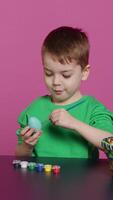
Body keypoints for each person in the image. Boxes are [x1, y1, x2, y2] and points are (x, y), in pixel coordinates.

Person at [15, 26, 113, 158]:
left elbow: (110, 142)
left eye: (66, 75)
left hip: (81, 179)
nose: (56, 82)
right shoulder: (34, 108)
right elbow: (20, 157)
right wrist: (27, 146)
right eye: (48, 73)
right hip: (41, 178)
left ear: (84, 73)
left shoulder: (93, 109)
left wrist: (74, 123)